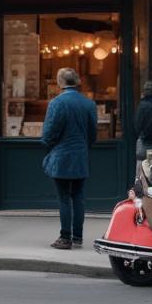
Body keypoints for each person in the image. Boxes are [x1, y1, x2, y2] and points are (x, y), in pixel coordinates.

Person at [41, 68, 98, 250]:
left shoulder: (57, 103)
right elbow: (92, 133)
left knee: (64, 197)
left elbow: (49, 133)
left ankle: (65, 237)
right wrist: (84, 146)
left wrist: (48, 144)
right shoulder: (88, 104)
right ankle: (78, 236)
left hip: (62, 156)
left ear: (60, 82)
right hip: (80, 155)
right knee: (78, 196)